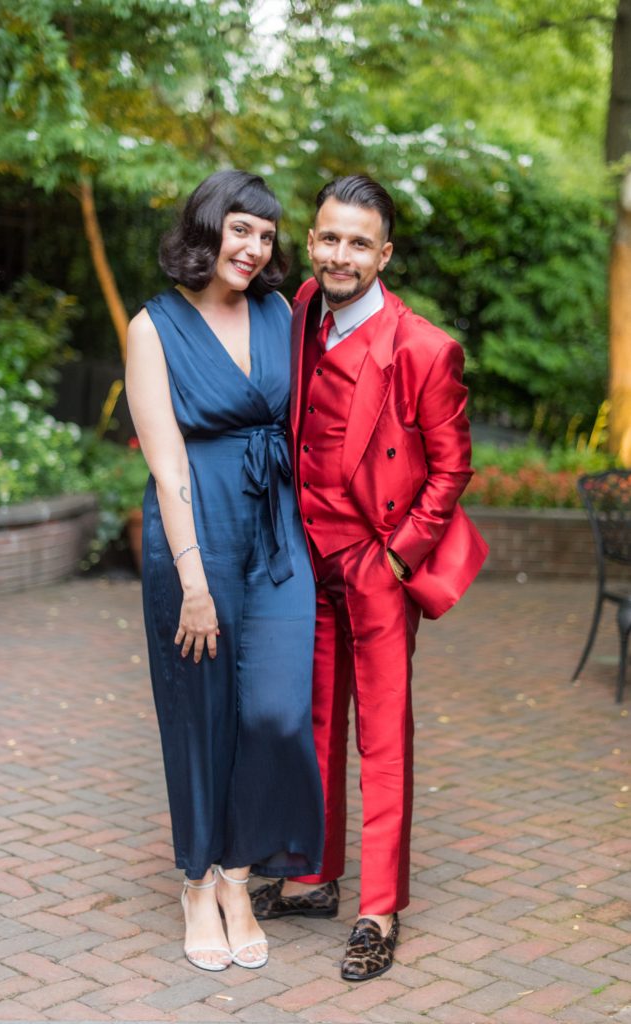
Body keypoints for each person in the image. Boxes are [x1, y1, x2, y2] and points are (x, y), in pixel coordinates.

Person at [251, 175, 488, 981]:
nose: (339, 254)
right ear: (310, 243)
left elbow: (452, 470)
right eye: (327, 238)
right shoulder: (298, 315)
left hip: (377, 564)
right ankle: (313, 874)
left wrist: (395, 557)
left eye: (358, 242)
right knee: (312, 718)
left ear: (383, 254)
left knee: (383, 737)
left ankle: (378, 910)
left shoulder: (423, 347)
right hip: (304, 560)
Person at [125, 170, 324, 974]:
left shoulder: (278, 312)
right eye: (240, 229)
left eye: (266, 235)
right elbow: (165, 456)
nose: (253, 247)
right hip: (194, 529)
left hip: (275, 535)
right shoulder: (152, 326)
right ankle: (200, 882)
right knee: (200, 716)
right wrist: (193, 580)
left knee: (275, 712)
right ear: (207, 228)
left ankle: (243, 875)